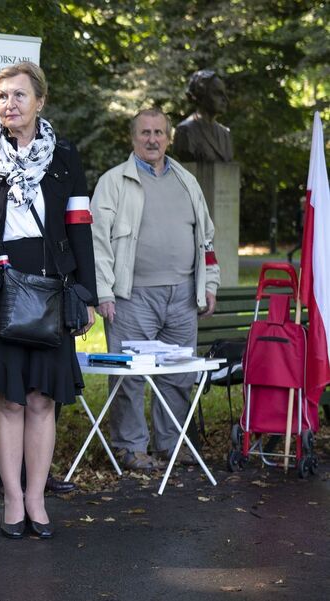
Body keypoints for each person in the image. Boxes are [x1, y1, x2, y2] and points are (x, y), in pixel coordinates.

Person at [0, 62, 97, 540]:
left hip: (52, 290)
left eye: (18, 96)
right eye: (1, 97)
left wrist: (88, 294)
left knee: (42, 399)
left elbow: (79, 226)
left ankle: (37, 497)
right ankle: (12, 500)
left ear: (40, 101)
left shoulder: (66, 158)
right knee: (9, 399)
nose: (9, 104)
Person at [91, 107, 221, 471]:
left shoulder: (187, 181)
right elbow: (97, 242)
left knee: (177, 375)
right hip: (132, 297)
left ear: (168, 137)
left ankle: (171, 443)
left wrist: (209, 283)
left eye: (158, 133)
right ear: (132, 139)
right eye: (145, 133)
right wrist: (103, 292)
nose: (152, 139)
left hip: (182, 295)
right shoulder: (114, 182)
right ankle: (130, 448)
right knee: (129, 378)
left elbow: (206, 239)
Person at [173, 70, 233, 163]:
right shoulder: (185, 130)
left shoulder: (225, 134)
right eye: (217, 93)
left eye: (225, 94)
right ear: (201, 95)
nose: (225, 99)